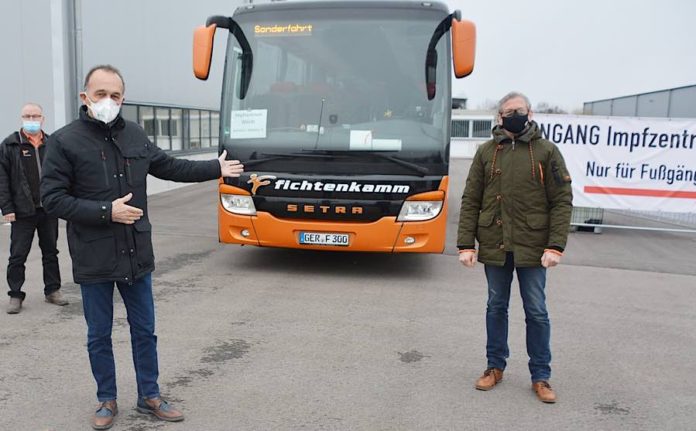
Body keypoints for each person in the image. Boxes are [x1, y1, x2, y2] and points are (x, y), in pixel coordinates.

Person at [40, 64, 244, 430]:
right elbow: (52, 199)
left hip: (136, 253)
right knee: (99, 333)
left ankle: (150, 395)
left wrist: (217, 168)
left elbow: (170, 166)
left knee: (144, 329)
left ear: (123, 99)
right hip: (94, 254)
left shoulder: (134, 134)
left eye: (115, 95)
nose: (108, 101)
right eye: (100, 94)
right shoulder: (63, 141)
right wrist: (107, 211)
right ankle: (106, 400)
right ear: (84, 97)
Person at [457, 91, 572, 404]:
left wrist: (555, 245)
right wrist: (466, 243)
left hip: (533, 247)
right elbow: (471, 199)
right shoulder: (486, 152)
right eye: (508, 111)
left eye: (519, 110)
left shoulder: (546, 152)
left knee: (536, 311)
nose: (514, 115)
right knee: (496, 307)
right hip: (495, 243)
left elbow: (561, 200)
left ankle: (541, 375)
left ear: (530, 113)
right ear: (499, 117)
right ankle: (495, 367)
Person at [0, 103, 66, 314]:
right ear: (21, 118)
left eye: (35, 115)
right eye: (27, 116)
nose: (31, 119)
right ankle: (15, 295)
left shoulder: (52, 143)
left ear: (42, 119)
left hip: (49, 209)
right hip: (21, 211)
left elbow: (62, 174)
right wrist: (6, 208)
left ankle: (52, 290)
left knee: (51, 252)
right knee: (18, 255)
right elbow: (2, 181)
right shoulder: (9, 145)